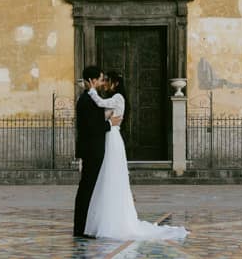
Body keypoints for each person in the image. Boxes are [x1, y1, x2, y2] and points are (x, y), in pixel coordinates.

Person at [83, 71, 189, 241]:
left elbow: (101, 103)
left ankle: (115, 221)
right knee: (108, 176)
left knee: (112, 175)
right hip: (109, 136)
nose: (105, 84)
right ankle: (108, 217)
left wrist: (92, 90)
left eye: (107, 81)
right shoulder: (115, 98)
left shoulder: (118, 97)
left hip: (113, 138)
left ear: (115, 83)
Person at [73, 64, 118, 239]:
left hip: (92, 149)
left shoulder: (89, 98)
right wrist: (109, 123)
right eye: (99, 79)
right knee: (87, 188)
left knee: (89, 188)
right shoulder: (87, 100)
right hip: (92, 150)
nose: (101, 82)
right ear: (92, 81)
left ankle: (84, 226)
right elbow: (92, 127)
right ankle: (81, 228)